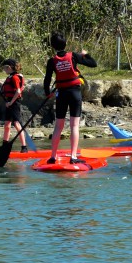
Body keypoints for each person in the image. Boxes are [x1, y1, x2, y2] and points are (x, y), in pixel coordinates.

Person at [43, 32, 97, 164]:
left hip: (61, 94)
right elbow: (93, 63)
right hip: (74, 93)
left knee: (58, 126)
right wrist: (84, 54)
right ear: (65, 44)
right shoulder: (73, 56)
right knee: (74, 126)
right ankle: (73, 157)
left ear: (52, 46)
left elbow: (47, 79)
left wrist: (47, 92)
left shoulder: (52, 61)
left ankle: (53, 157)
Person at [0, 58, 28, 153]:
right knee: (7, 125)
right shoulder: (10, 77)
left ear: (9, 67)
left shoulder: (15, 77)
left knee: (16, 124)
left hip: (14, 103)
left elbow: (18, 91)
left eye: (5, 68)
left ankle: (24, 147)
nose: (4, 70)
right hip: (9, 102)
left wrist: (11, 103)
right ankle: (5, 145)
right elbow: (6, 85)